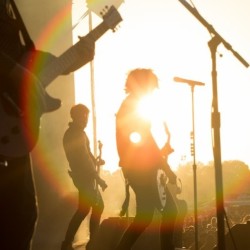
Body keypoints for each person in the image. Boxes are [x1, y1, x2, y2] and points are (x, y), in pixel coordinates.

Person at [0, 1, 95, 249]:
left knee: (22, 215)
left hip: (10, 129)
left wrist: (76, 58)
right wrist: (13, 71)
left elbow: (25, 57)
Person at [115, 68, 178, 250]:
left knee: (145, 217)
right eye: (151, 87)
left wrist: (161, 156)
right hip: (141, 170)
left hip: (137, 169)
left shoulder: (129, 105)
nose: (152, 92)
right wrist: (167, 169)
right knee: (169, 211)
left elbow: (142, 143)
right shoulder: (132, 107)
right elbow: (146, 143)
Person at [61, 104, 108, 250]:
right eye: (84, 116)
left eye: (87, 117)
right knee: (92, 208)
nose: (86, 120)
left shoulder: (78, 133)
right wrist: (97, 177)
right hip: (85, 177)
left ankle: (71, 243)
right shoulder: (74, 134)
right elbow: (82, 158)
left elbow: (87, 154)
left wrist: (96, 161)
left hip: (85, 177)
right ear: (76, 116)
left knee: (85, 209)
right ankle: (92, 243)